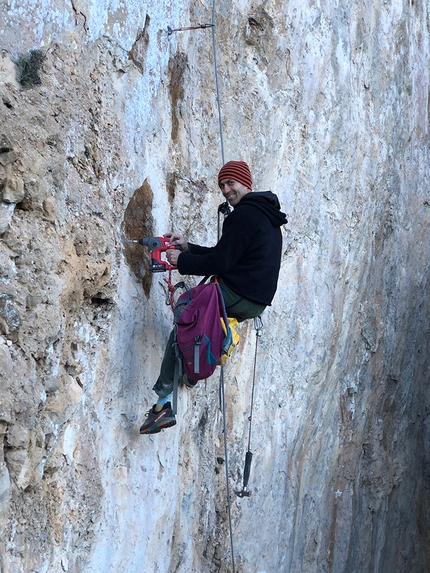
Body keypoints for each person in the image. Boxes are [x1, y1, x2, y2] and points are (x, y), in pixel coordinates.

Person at [140, 160, 287, 434]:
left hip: (241, 291)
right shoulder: (265, 216)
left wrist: (181, 260)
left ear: (245, 183)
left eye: (230, 183)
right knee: (204, 320)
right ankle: (193, 366)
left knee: (187, 313)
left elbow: (220, 263)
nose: (226, 190)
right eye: (222, 185)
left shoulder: (245, 215)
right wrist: (189, 248)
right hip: (254, 300)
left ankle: (163, 403)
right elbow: (225, 255)